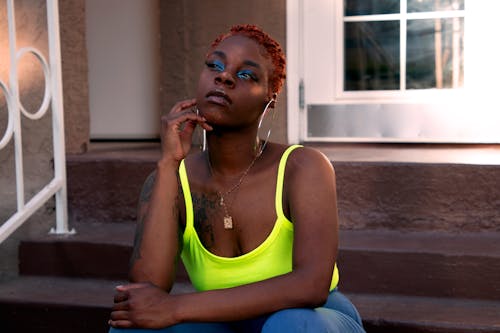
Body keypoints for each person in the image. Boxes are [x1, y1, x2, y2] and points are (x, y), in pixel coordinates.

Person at [108, 24, 365, 333]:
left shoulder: (303, 167)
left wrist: (176, 307)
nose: (224, 76)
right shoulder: (170, 179)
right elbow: (148, 289)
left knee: (292, 324)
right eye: (214, 65)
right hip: (221, 322)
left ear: (269, 99)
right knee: (132, 326)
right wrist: (167, 165)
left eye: (246, 75)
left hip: (312, 318)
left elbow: (311, 286)